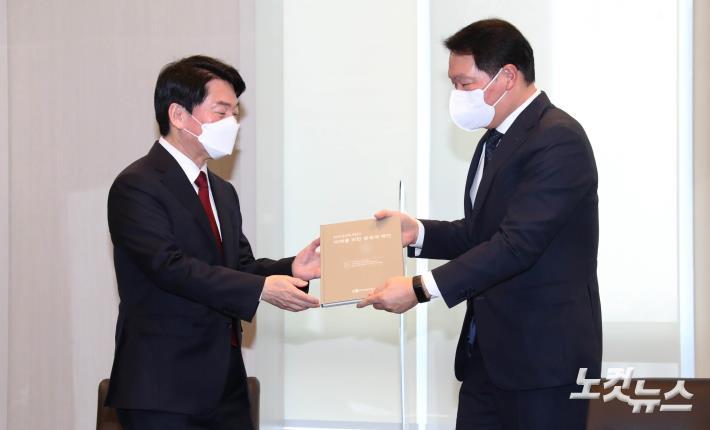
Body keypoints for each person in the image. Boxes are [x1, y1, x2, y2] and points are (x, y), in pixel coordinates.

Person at [358, 19, 602, 429]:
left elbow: (515, 245)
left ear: (507, 76)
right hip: (487, 357)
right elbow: (481, 234)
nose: (457, 96)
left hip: (544, 363)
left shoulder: (558, 139)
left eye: (465, 84)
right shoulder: (495, 138)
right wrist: (417, 232)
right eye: (453, 84)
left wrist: (419, 288)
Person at [105, 55, 321, 430]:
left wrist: (291, 268)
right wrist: (261, 289)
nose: (232, 124)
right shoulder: (137, 185)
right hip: (163, 389)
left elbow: (239, 267)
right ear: (178, 115)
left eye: (235, 114)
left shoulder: (222, 190)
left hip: (225, 385)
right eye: (221, 112)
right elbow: (169, 267)